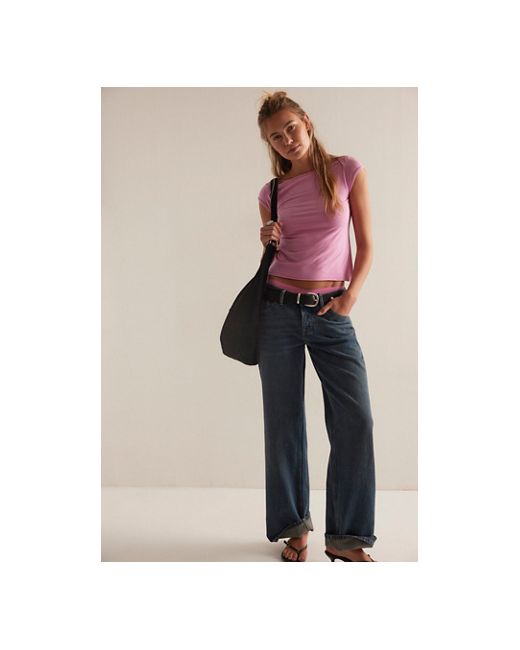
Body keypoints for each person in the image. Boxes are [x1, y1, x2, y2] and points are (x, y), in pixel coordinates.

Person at [256, 91, 377, 562]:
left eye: (290, 127)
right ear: (270, 144)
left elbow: (366, 245)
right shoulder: (271, 193)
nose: (286, 139)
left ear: (306, 122)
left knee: (355, 420)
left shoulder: (345, 170)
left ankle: (345, 538)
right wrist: (267, 237)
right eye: (275, 136)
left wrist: (350, 299)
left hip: (332, 311)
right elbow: (276, 255)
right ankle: (294, 527)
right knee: (283, 423)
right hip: (278, 312)